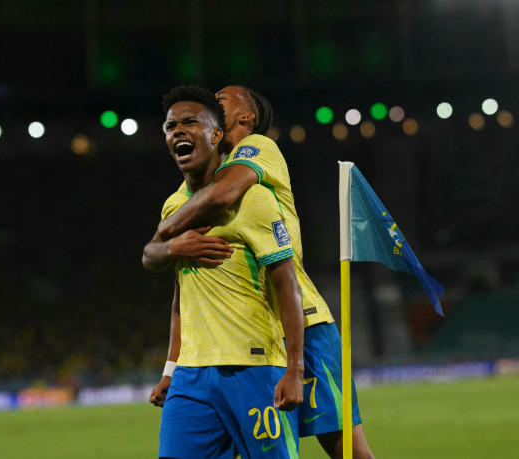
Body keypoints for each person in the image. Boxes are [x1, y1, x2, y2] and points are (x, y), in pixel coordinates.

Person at [145, 86, 374, 459]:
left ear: (244, 118)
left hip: (303, 323)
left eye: (221, 102)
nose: (213, 103)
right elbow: (180, 291)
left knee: (346, 450)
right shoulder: (183, 193)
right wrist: (166, 247)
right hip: (242, 330)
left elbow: (221, 195)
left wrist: (163, 236)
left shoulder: (258, 149)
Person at [151, 85, 304, 459]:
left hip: (251, 367)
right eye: (171, 126)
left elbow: (287, 285)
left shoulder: (254, 198)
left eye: (190, 122)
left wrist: (294, 369)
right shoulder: (173, 206)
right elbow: (179, 297)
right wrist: (171, 367)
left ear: (217, 134)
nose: (179, 131)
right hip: (191, 375)